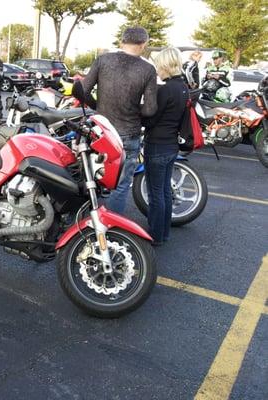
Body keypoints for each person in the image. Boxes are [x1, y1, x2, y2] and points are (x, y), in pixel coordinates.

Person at [79, 26, 158, 215]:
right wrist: (132, 108)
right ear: (144, 44)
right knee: (121, 185)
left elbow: (81, 90)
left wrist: (97, 106)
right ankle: (110, 229)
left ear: (122, 42)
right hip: (128, 134)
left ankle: (85, 223)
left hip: (100, 132)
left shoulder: (103, 61)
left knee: (91, 179)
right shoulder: (148, 69)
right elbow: (150, 109)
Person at [142, 47, 189, 246]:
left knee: (155, 194)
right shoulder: (183, 87)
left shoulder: (165, 90)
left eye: (159, 65)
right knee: (165, 192)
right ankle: (164, 232)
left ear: (166, 65)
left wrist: (140, 114)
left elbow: (151, 119)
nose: (158, 69)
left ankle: (155, 235)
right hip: (171, 145)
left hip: (157, 145)